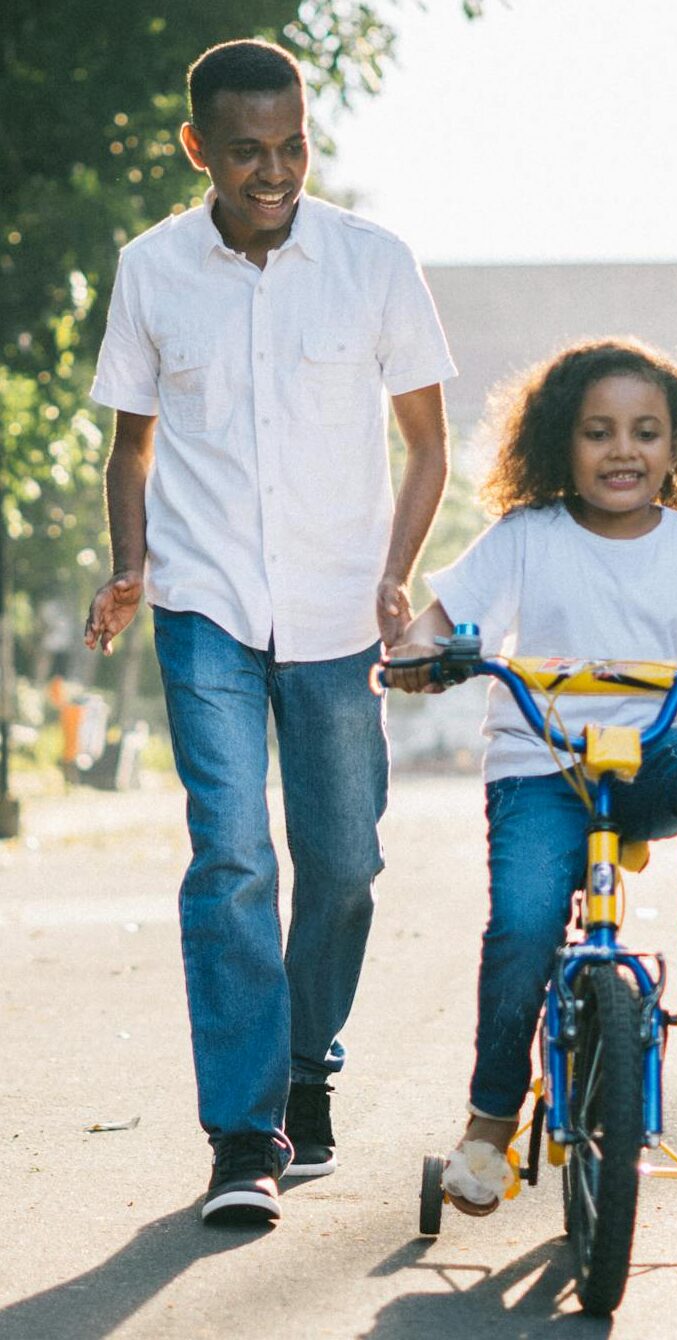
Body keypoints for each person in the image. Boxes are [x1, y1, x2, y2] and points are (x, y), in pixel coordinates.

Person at [83, 38, 456, 1226]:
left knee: (344, 863)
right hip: (204, 607)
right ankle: (244, 1134)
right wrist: (132, 564)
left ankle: (307, 1067)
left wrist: (397, 574)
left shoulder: (373, 261)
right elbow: (131, 444)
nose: (275, 170)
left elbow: (427, 443)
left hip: (341, 610)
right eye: (247, 151)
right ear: (199, 148)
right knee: (234, 856)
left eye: (292, 145)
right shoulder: (151, 269)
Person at [389, 339, 677, 1215]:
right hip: (540, 769)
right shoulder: (526, 537)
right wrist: (420, 650)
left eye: (646, 432)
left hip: (646, 760)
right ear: (563, 443)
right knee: (524, 928)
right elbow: (440, 619)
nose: (623, 451)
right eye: (598, 433)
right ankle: (489, 1126)